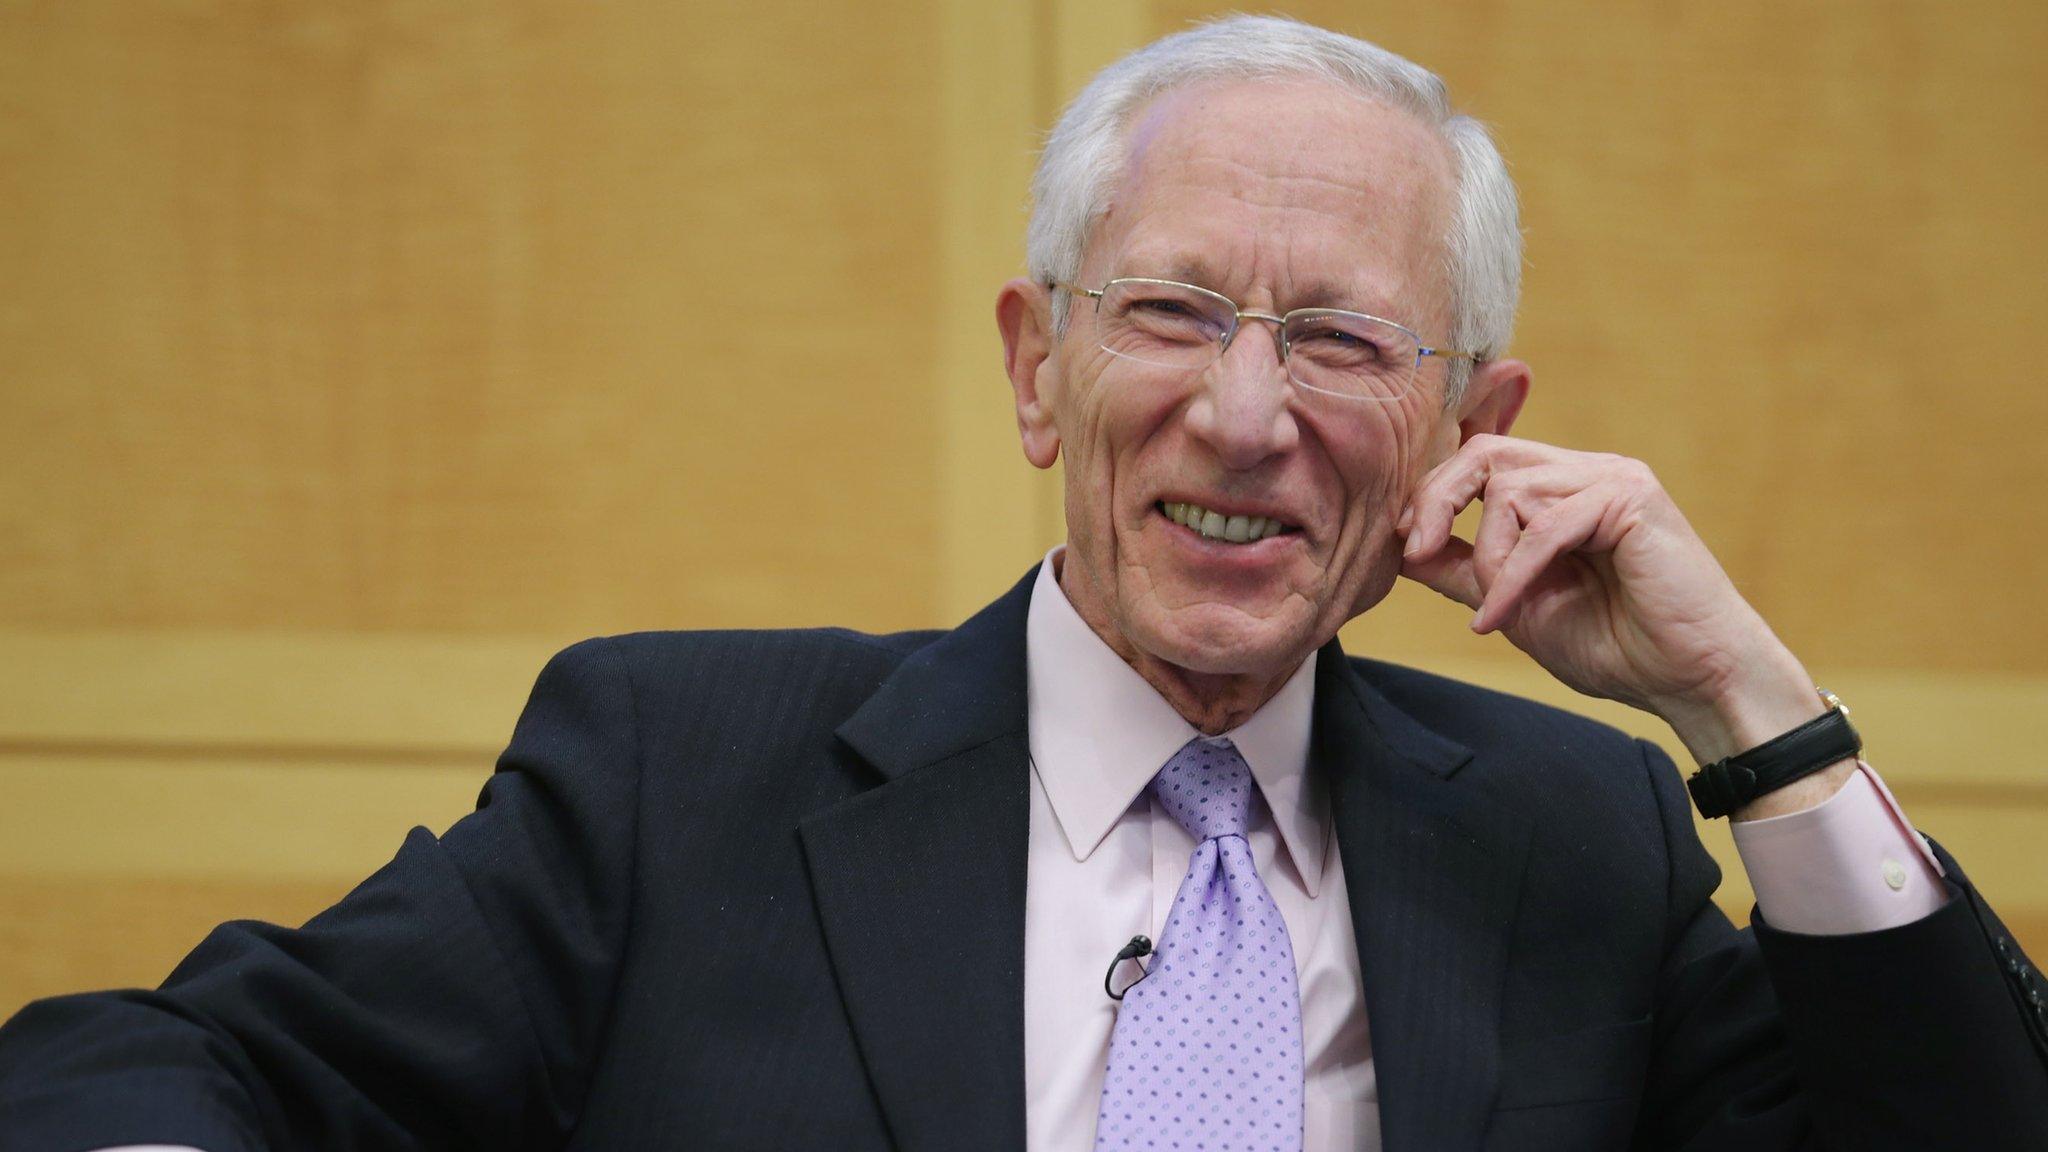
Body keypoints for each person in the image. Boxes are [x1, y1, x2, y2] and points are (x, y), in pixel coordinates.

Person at [2, 14, 2044, 1152]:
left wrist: (1751, 713)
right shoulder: (673, 770)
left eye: (1340, 342)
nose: (1245, 418)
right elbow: (172, 1070)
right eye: (1168, 313)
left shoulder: (1563, 839)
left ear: (1463, 422)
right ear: (1032, 367)